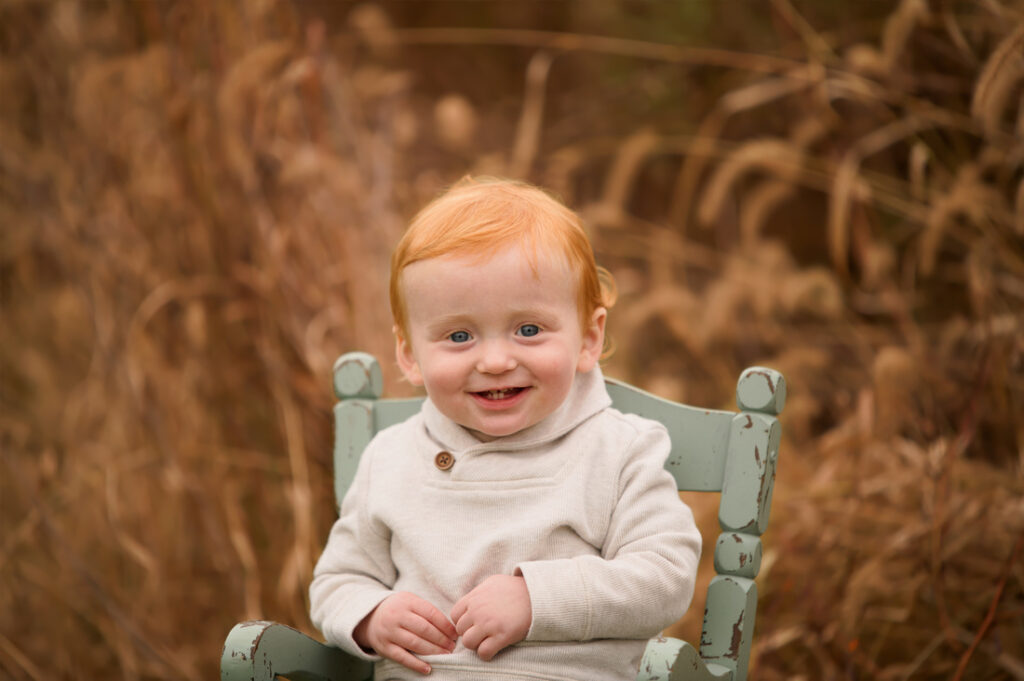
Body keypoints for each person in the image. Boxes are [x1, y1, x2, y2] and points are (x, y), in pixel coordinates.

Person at [310, 177, 701, 680]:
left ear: (588, 337)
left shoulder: (617, 450)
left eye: (529, 330)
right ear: (409, 355)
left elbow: (664, 577)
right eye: (458, 335)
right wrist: (369, 617)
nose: (495, 361)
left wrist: (536, 599)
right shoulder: (391, 457)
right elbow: (338, 578)